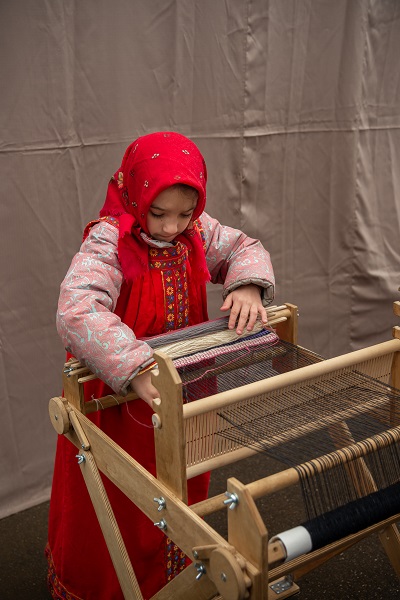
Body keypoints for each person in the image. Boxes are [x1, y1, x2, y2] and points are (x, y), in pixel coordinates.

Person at [46, 131, 275, 599]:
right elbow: (76, 309)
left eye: (184, 214)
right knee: (124, 494)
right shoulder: (109, 241)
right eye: (158, 213)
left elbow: (243, 247)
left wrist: (247, 285)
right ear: (136, 194)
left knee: (181, 484)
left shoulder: (198, 231)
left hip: (181, 388)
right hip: (121, 398)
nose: (172, 227)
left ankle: (178, 582)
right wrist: (135, 365)